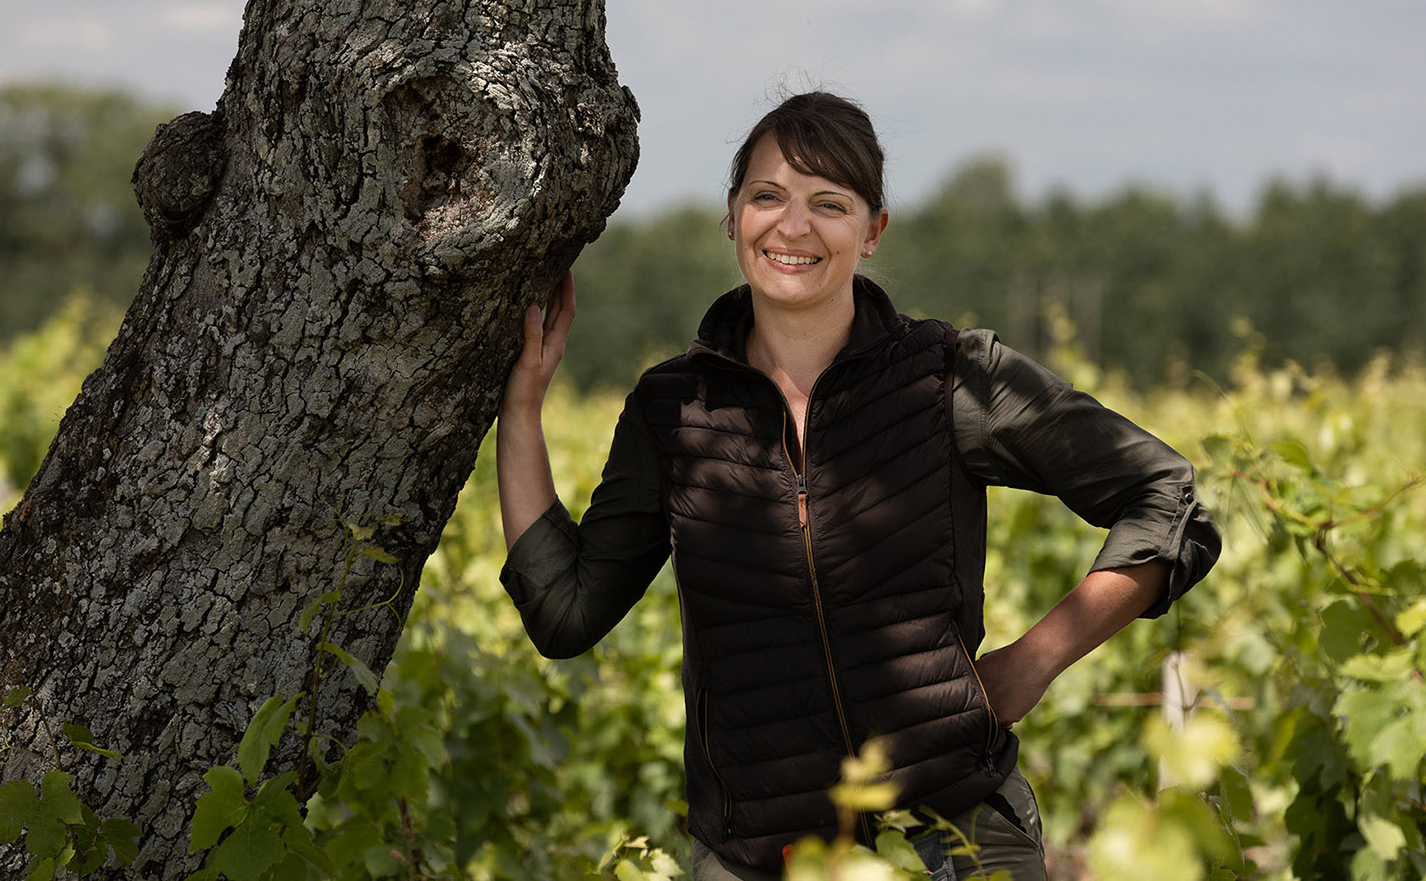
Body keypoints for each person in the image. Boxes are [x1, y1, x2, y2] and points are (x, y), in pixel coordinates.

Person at [495, 91, 1220, 880]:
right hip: (758, 849)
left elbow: (1166, 497)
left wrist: (1031, 661)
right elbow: (564, 612)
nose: (792, 226)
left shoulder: (948, 377)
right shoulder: (674, 410)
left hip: (960, 823)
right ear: (732, 215)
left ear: (872, 231)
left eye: (828, 204)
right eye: (766, 196)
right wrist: (522, 407)